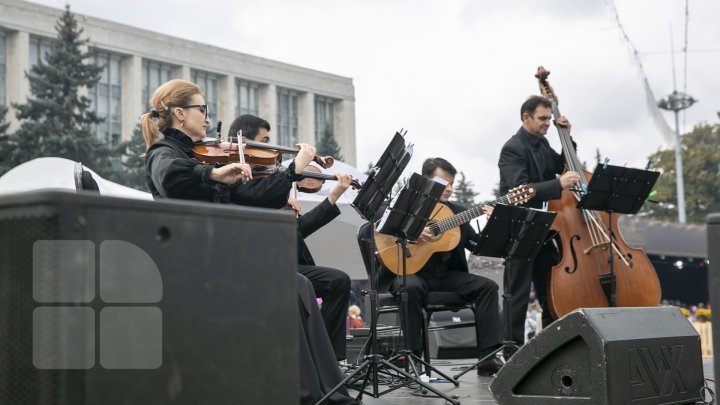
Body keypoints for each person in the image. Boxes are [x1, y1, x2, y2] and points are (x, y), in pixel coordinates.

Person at [142, 79, 355, 405]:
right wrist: (213, 175)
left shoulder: (204, 155)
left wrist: (289, 175)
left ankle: (320, 388)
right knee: (295, 285)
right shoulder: (165, 152)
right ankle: (310, 390)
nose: (208, 116)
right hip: (197, 268)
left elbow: (254, 197)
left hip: (223, 259)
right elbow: (169, 177)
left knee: (298, 284)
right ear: (180, 114)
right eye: (202, 109)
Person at [228, 113, 353, 361]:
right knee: (334, 282)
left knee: (338, 281)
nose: (270, 148)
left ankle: (327, 360)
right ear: (247, 143)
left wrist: (332, 197)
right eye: (264, 140)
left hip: (284, 261)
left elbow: (297, 230)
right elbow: (255, 198)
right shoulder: (239, 177)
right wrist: (290, 174)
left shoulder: (267, 179)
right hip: (259, 265)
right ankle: (322, 359)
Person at [380, 157, 503, 375]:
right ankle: (412, 358)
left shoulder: (457, 212)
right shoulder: (406, 208)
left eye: (452, 183)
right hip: (411, 272)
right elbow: (382, 234)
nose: (449, 188)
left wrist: (493, 225)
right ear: (426, 181)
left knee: (488, 287)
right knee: (411, 288)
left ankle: (488, 357)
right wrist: (411, 231)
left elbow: (476, 246)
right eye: (443, 182)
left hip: (447, 276)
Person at [497, 95, 581, 348]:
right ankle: (511, 350)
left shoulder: (543, 144)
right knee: (518, 294)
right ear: (526, 117)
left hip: (545, 228)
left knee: (553, 289)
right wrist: (558, 184)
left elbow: (565, 164)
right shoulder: (512, 148)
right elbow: (518, 188)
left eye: (549, 118)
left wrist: (568, 136)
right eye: (543, 118)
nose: (548, 123)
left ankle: (553, 346)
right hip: (519, 228)